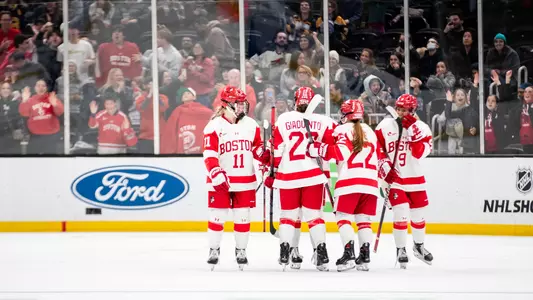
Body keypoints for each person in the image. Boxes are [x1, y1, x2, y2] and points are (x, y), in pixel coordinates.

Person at [265, 86, 337, 271]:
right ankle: (321, 252)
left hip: (288, 175)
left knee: (288, 217)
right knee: (314, 217)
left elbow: (277, 150)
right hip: (313, 176)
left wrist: (271, 173)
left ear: (295, 101)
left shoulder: (284, 119)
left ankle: (284, 251)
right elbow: (333, 151)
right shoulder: (325, 121)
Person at [202, 86, 270, 270]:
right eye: (238, 104)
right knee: (218, 216)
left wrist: (264, 153)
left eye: (242, 103)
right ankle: (214, 249)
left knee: (242, 217)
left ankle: (241, 250)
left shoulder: (251, 125)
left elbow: (256, 148)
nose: (242, 107)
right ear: (226, 105)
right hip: (221, 181)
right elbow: (209, 154)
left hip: (245, 180)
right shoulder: (214, 125)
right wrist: (215, 172)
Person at [374, 94, 434, 269]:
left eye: (405, 110)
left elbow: (419, 153)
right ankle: (401, 250)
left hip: (415, 177)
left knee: (418, 215)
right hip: (395, 178)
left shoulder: (422, 128)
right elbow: (377, 149)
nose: (400, 113)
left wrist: (413, 132)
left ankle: (419, 246)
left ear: (413, 111)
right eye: (398, 109)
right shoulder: (385, 125)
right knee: (401, 211)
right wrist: (384, 168)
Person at [332, 99, 379, 272]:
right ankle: (365, 257)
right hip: (371, 182)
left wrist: (319, 149)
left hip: (349, 180)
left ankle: (349, 254)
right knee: (364, 220)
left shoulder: (342, 129)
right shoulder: (370, 131)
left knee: (343, 217)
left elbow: (339, 154)